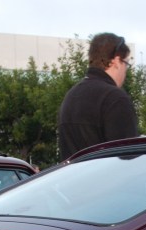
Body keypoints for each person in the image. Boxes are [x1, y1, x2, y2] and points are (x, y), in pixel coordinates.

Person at [58, 33, 138, 161]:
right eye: (126, 64)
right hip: (109, 180)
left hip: (74, 179)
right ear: (117, 61)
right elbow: (129, 157)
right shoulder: (115, 98)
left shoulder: (71, 96)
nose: (125, 71)